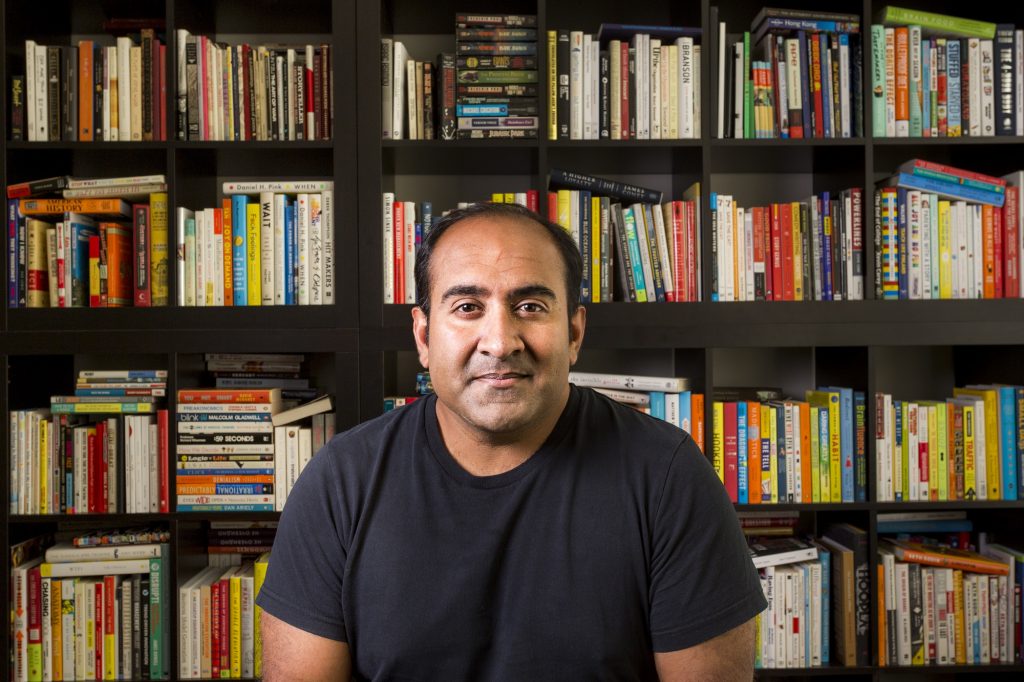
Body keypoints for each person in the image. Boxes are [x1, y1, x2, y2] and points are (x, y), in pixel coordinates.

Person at [257, 202, 767, 680]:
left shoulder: (669, 477)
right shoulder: (340, 481)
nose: (500, 342)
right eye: (466, 306)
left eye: (529, 305)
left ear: (573, 332)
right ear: (422, 336)